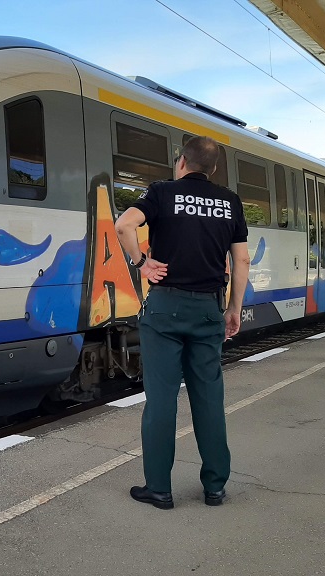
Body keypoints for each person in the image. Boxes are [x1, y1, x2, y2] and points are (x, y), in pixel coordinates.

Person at [115, 135, 250, 509]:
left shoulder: (161, 192)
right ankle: (215, 488)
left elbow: (125, 226)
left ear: (181, 162)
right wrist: (233, 308)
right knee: (208, 398)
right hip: (209, 310)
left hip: (165, 310)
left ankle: (158, 488)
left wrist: (142, 263)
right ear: (214, 169)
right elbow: (241, 262)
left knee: (162, 401)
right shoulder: (230, 201)